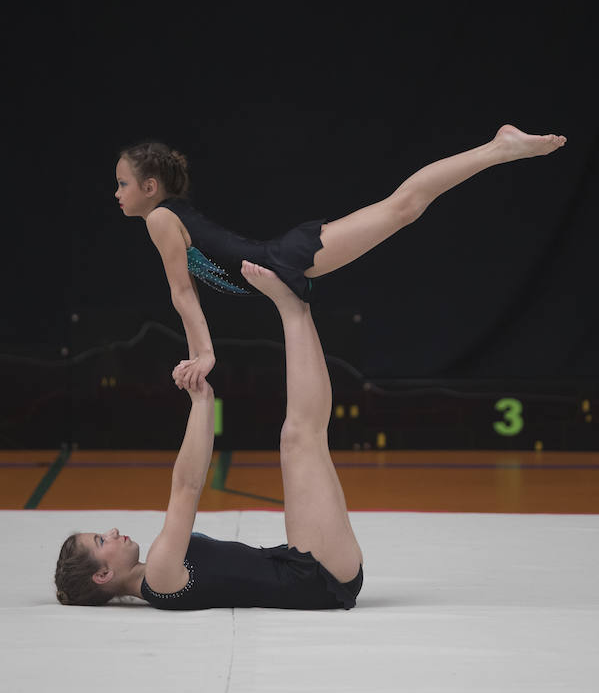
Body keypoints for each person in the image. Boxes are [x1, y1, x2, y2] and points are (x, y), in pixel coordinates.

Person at [115, 125, 566, 391]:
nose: (117, 194)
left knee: (403, 208)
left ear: (150, 187)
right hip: (280, 262)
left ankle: (498, 148)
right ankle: (497, 149)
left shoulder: (159, 220)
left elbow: (181, 292)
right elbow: (190, 288)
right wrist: (202, 352)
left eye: (123, 184)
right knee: (402, 209)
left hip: (283, 259)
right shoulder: (169, 217)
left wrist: (205, 353)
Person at [54, 262, 364, 610]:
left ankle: (295, 306)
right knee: (301, 436)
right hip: (318, 577)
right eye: (100, 541)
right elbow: (186, 485)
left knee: (300, 436)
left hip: (310, 569)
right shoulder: (159, 575)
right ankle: (293, 306)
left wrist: (201, 396)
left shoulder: (158, 575)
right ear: (103, 575)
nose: (111, 531)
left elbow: (188, 482)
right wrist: (200, 400)